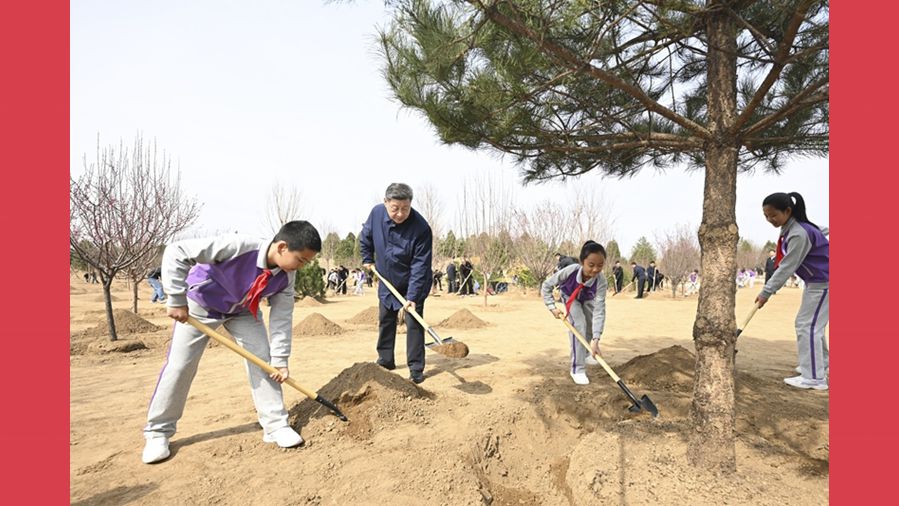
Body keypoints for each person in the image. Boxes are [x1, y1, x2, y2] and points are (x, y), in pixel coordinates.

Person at [141, 220, 322, 464]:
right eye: (301, 260)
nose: (301, 267)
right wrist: (176, 298)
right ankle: (158, 433)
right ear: (281, 247)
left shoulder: (286, 276)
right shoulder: (238, 246)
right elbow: (177, 251)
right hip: (201, 305)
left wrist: (280, 360)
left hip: (243, 311)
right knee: (181, 366)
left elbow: (281, 318)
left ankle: (275, 426)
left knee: (264, 362)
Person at [360, 183, 433, 384]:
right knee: (385, 319)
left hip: (413, 280)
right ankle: (385, 360)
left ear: (411, 205)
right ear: (385, 203)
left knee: (414, 323)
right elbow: (365, 237)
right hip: (387, 279)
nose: (400, 214)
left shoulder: (421, 228)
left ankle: (416, 368)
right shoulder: (376, 214)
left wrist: (413, 297)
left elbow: (420, 265)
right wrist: (367, 258)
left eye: (405, 209)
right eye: (395, 208)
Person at [755, 192, 829, 390]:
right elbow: (823, 230)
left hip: (824, 283)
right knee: (811, 325)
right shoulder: (794, 228)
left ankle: (813, 377)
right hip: (815, 283)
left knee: (807, 326)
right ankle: (819, 365)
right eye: (766, 216)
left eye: (773, 215)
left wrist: (766, 292)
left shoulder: (798, 233)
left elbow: (787, 266)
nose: (770, 220)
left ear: (788, 211)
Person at [542, 241, 608, 385]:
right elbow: (546, 285)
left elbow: (599, 311)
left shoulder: (601, 281)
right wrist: (552, 306)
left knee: (589, 325)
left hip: (587, 299)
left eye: (600, 265)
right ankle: (577, 369)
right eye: (591, 265)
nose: (595, 269)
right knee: (579, 325)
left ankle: (586, 352)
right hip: (570, 296)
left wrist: (596, 340)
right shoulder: (570, 270)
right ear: (582, 262)